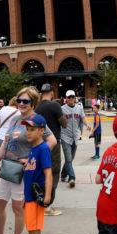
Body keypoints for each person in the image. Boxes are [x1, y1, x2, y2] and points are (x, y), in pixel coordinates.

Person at [0, 87, 57, 234]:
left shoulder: (36, 120)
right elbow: (6, 141)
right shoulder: (16, 118)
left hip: (22, 171)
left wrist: (32, 159)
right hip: (8, 168)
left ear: (33, 103)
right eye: (19, 100)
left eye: (26, 101)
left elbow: (51, 141)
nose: (22, 104)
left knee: (18, 207)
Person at [11, 113, 53, 234]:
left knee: (35, 231)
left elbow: (48, 173)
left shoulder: (43, 149)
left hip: (37, 198)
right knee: (31, 228)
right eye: (27, 129)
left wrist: (47, 196)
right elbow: (30, 175)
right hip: (29, 197)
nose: (28, 132)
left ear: (41, 131)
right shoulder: (33, 149)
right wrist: (24, 197)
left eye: (32, 129)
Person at [35, 84, 67, 217]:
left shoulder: (37, 107)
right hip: (53, 143)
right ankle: (48, 205)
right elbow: (63, 123)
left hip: (39, 143)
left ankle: (39, 200)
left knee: (41, 172)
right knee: (53, 172)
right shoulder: (55, 106)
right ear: (52, 93)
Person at [60, 90, 91, 188]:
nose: (71, 99)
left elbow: (83, 118)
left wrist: (87, 124)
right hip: (65, 136)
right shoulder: (62, 109)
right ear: (66, 99)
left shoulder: (79, 108)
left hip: (75, 137)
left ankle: (63, 174)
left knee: (70, 159)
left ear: (75, 98)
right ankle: (72, 178)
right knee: (68, 158)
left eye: (72, 97)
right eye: (69, 97)